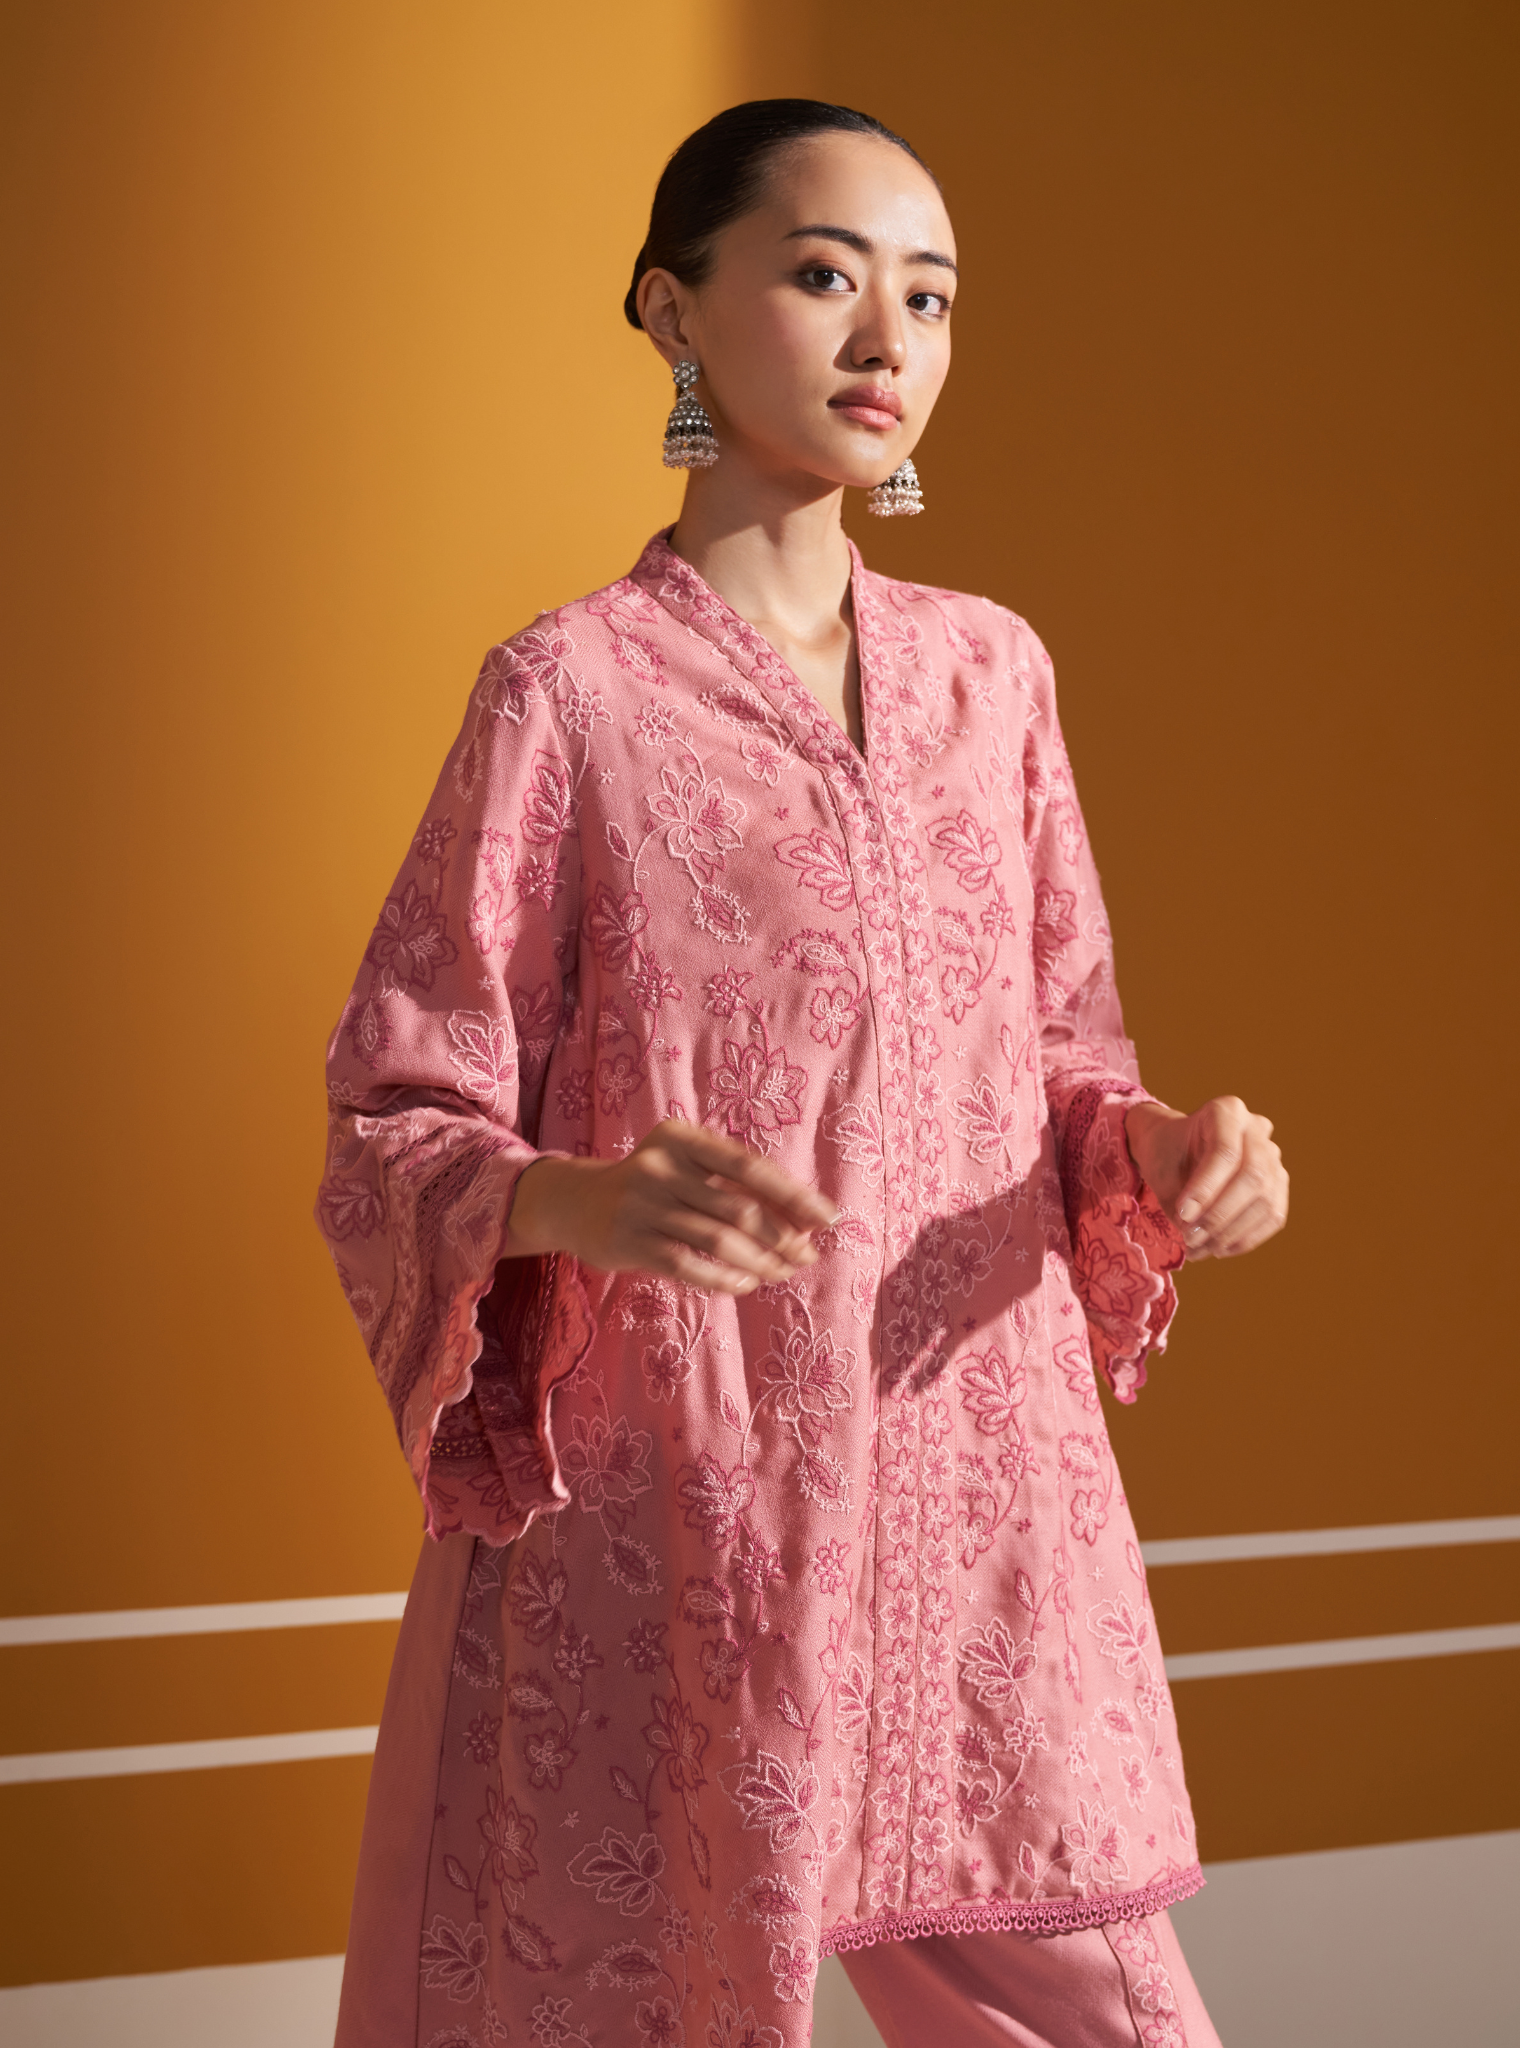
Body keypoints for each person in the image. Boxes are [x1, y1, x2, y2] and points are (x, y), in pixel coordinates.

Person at [318, 99, 1288, 2048]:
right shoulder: (570, 694)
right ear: (673, 311)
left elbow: (1059, 1056)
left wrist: (1162, 1150)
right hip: (677, 1506)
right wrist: (582, 1200)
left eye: (930, 296)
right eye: (827, 275)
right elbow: (396, 1115)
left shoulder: (991, 678)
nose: (887, 338)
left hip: (974, 1496)